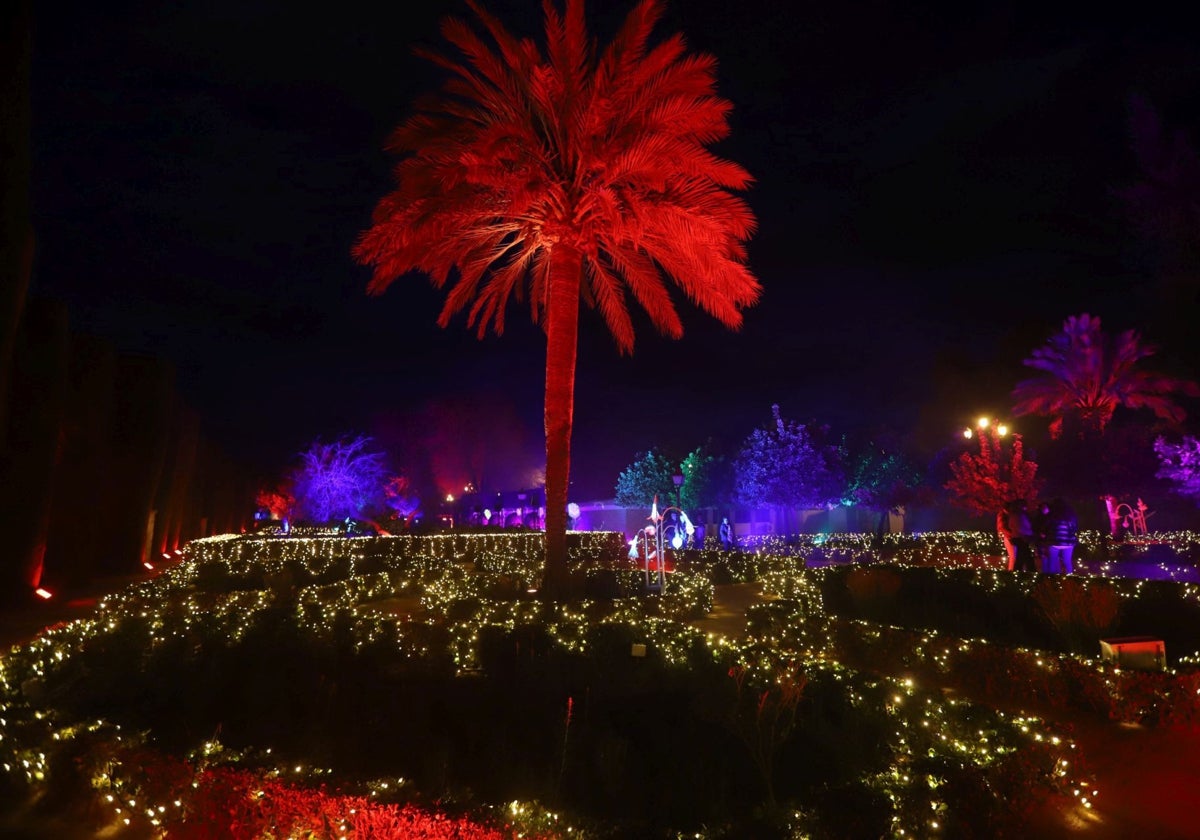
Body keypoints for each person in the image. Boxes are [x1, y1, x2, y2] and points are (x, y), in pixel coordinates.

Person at [1043, 498, 1078, 574]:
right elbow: (1074, 528)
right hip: (1068, 542)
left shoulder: (1051, 515)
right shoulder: (1070, 515)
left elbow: (1046, 527)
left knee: (1052, 561)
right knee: (1067, 561)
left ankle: (1053, 580)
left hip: (1054, 541)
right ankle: (1070, 580)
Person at [1005, 499, 1037, 572]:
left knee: (1021, 557)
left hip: (1018, 537)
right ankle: (1031, 570)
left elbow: (1013, 526)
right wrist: (1031, 532)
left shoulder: (1014, 514)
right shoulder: (1019, 515)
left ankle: (1019, 570)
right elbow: (1020, 527)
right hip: (1022, 538)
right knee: (1026, 557)